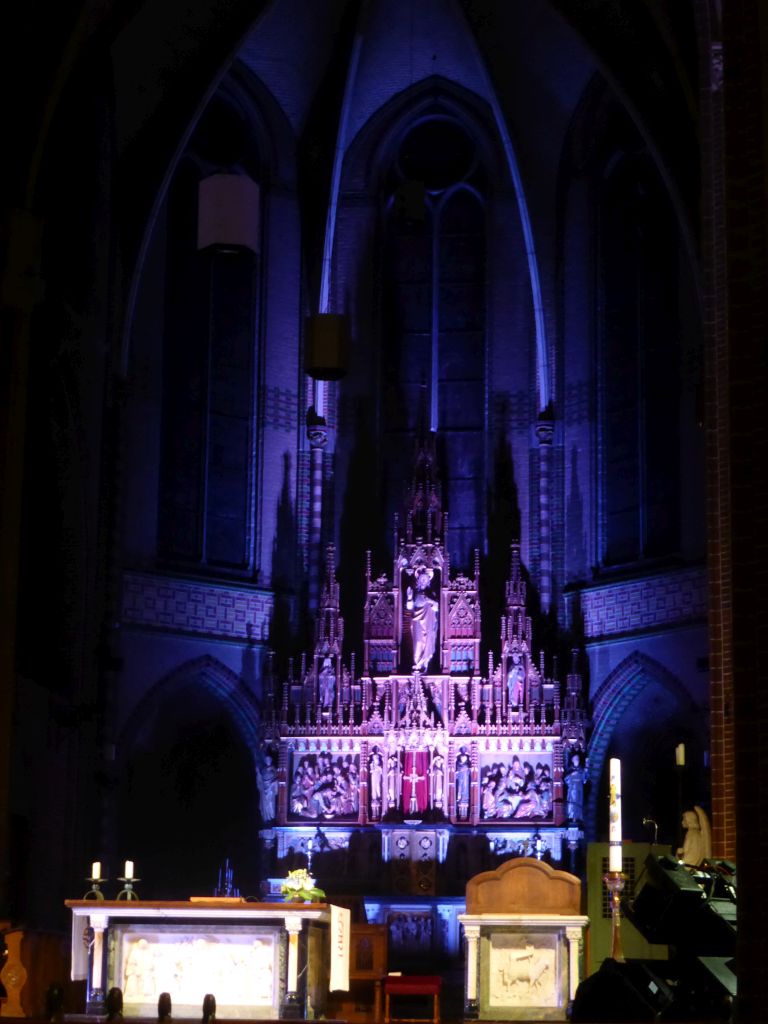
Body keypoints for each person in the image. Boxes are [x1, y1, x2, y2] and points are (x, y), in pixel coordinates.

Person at [407, 564, 439, 672]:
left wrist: (429, 600)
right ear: (419, 581)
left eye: (426, 579)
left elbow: (437, 608)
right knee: (418, 643)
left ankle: (424, 663)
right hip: (417, 622)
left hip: (428, 622)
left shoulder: (431, 593)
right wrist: (409, 598)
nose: (424, 581)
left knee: (427, 642)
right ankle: (417, 663)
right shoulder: (416, 593)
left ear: (428, 581)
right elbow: (410, 607)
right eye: (422, 579)